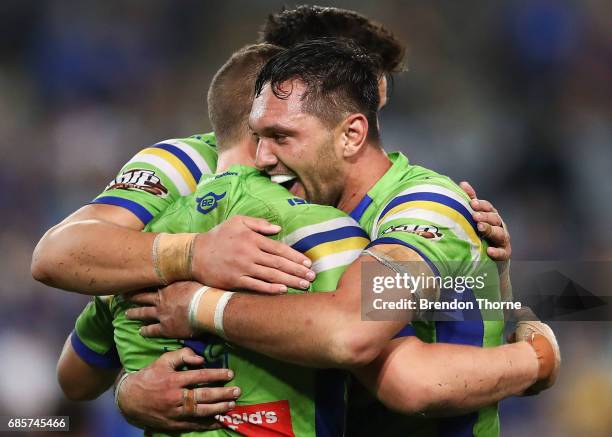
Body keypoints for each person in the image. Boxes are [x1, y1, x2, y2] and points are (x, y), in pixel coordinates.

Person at [37, 4, 513, 431]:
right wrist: (193, 258)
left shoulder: (416, 202)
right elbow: (56, 258)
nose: (265, 158)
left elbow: (382, 346)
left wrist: (528, 340)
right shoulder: (192, 164)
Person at [125, 39, 560, 437]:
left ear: (351, 134)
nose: (260, 158)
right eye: (257, 137)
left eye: (280, 137)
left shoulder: (425, 206)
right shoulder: (294, 206)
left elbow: (358, 338)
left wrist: (537, 357)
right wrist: (131, 392)